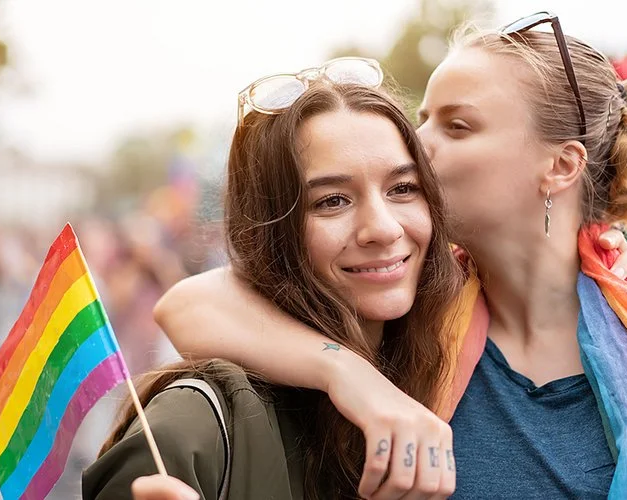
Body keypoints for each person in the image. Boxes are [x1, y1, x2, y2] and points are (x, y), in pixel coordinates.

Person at [152, 13, 627, 499]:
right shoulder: (407, 312)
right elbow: (187, 304)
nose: (416, 144)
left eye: (457, 126)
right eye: (423, 119)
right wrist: (349, 374)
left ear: (561, 165)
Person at [83, 60, 464, 499]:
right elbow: (181, 301)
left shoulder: (462, 351)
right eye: (333, 201)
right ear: (269, 231)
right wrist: (345, 371)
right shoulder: (191, 428)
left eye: (402, 188)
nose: (383, 228)